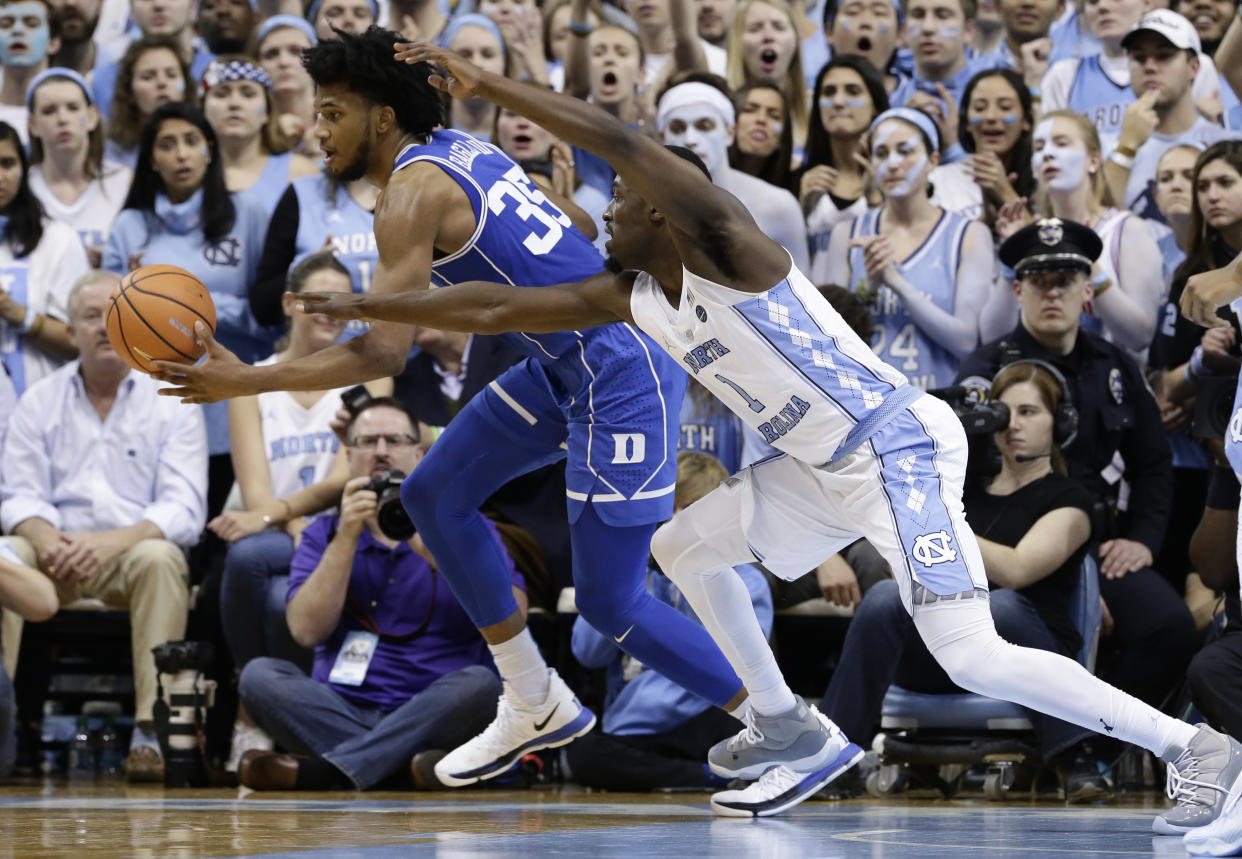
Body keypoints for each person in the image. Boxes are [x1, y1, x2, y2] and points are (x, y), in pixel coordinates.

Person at [286, 41, 1242, 833]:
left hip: (896, 447)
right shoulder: (637, 294)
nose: (600, 218)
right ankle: (784, 723)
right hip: (822, 468)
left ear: (660, 211)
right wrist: (367, 299)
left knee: (969, 653)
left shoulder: (725, 239)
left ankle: (1193, 747)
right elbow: (496, 302)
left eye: (616, 209)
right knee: (679, 543)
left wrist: (489, 85)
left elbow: (618, 135)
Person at [150, 25, 752, 802]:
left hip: (616, 372)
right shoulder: (468, 147)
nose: (316, 129)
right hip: (564, 363)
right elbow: (565, 228)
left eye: (332, 111)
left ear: (381, 117)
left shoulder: (407, 193)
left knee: (613, 600)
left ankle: (780, 720)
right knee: (432, 493)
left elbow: (383, 355)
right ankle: (534, 696)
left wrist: (244, 381)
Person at [819, 359, 1110, 800]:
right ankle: (834, 759)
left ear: (1061, 423)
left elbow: (1016, 570)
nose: (1013, 424)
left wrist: (939, 522)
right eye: (1004, 412)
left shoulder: (1072, 500)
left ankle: (1074, 756)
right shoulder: (961, 492)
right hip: (947, 651)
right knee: (882, 597)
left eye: (1030, 412)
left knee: (1001, 603)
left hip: (1026, 652)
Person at [235, 397, 516, 791]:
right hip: (341, 706)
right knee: (259, 677)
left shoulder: (467, 525)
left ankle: (330, 771)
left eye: (395, 440)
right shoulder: (322, 534)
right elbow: (305, 631)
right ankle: (404, 767)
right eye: (367, 442)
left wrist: (434, 546)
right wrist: (347, 537)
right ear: (348, 456)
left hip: (436, 706)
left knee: (479, 685)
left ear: (419, 453)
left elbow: (514, 616)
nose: (382, 452)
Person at [0, 270, 207, 783]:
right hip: (50, 557)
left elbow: (185, 509)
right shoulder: (38, 401)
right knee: (5, 554)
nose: (103, 327)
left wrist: (110, 543)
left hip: (128, 558)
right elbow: (15, 494)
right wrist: (46, 538)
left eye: (113, 314)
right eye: (90, 317)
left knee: (163, 558)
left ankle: (148, 733)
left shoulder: (172, 399)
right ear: (70, 332)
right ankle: (0, 722)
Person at [213, 252, 392, 769]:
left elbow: (344, 481)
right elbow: (254, 491)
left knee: (257, 568)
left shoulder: (370, 379)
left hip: (349, 530)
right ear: (290, 303)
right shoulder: (251, 381)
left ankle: (265, 712)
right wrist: (291, 524)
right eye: (319, 299)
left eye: (343, 302)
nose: (331, 311)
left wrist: (292, 522)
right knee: (258, 574)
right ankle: (258, 706)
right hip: (275, 530)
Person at [103, 102, 275, 513]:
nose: (181, 153)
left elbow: (269, 316)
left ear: (209, 150)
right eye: (167, 144)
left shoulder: (247, 212)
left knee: (223, 530)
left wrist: (192, 310)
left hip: (232, 396)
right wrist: (134, 307)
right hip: (156, 404)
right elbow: (111, 329)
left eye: (191, 141)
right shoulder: (130, 225)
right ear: (151, 159)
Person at [567, 452, 774, 792]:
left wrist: (688, 573)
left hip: (710, 713)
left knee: (738, 729)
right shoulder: (631, 578)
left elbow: (734, 668)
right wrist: (617, 581)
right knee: (584, 754)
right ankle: (710, 777)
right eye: (670, 510)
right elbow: (587, 654)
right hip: (638, 728)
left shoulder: (746, 582)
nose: (677, 522)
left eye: (691, 509)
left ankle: (715, 772)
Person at [824, 107, 994, 391]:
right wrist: (870, 289)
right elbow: (829, 340)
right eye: (881, 153)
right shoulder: (846, 233)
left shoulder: (969, 235)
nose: (892, 164)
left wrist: (897, 284)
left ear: (933, 161)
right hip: (866, 404)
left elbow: (966, 342)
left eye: (905, 151)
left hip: (936, 406)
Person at [1023, 110, 1163, 359]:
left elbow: (1141, 336)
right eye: (1039, 146)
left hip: (1114, 389)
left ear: (1094, 161)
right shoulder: (1030, 236)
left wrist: (1091, 269)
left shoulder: (1127, 229)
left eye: (1062, 143)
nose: (1047, 153)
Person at [657, 75, 810, 271]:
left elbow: (804, 293)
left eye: (705, 126)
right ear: (662, 137)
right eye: (677, 128)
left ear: (730, 132)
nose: (690, 139)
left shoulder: (778, 205)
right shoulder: (649, 205)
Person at [1040, 0, 1222, 158]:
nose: (1103, 6)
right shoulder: (1064, 74)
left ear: (1147, 3)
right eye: (1093, 1)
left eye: (1164, 56)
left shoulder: (1195, 64)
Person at [1106, 9, 1237, 223]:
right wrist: (1126, 148)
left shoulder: (1227, 144)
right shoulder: (1107, 146)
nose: (1149, 66)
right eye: (1139, 57)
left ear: (1193, 67)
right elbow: (1100, 224)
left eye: (1164, 55)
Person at [0, 120, 90, 397]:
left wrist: (16, 314)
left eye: (6, 163)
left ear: (24, 169)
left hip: (45, 418)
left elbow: (83, 341)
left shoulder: (58, 240)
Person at [26, 68, 132, 269]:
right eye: (49, 111)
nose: (62, 119)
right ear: (33, 125)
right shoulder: (24, 187)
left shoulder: (124, 181)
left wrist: (115, 261)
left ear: (92, 116)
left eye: (73, 108)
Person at [800, 55, 888, 285]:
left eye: (853, 91)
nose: (838, 101)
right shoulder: (800, 178)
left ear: (875, 106)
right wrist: (799, 208)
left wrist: (876, 198)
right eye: (828, 92)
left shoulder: (897, 179)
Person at [198, 56, 318, 216]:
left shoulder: (299, 173)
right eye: (221, 94)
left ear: (267, 112)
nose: (235, 103)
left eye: (248, 94)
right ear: (202, 108)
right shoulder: (186, 171)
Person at [90, 0, 214, 122]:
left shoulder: (215, 70)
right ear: (131, 9)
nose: (158, 5)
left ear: (192, 7)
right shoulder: (100, 81)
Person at [724, 0, 807, 151]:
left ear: (795, 42)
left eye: (779, 27)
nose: (768, 36)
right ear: (737, 43)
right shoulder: (721, 108)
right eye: (755, 28)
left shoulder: (815, 112)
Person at [105, 36, 198, 170]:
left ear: (186, 87)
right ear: (129, 91)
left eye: (171, 75)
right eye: (148, 77)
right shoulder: (111, 152)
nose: (162, 83)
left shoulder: (204, 142)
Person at [255, 15, 320, 157]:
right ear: (258, 64)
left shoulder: (342, 120)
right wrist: (272, 141)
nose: (284, 62)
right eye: (271, 54)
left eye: (296, 51)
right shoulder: (252, 130)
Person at [0, 0, 61, 146]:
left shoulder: (69, 110)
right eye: (6, 24)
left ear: (53, 42)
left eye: (31, 23)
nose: (17, 31)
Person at [727, 83, 794, 192]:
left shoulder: (792, 190)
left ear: (783, 138)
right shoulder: (705, 178)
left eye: (774, 115)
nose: (761, 119)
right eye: (749, 110)